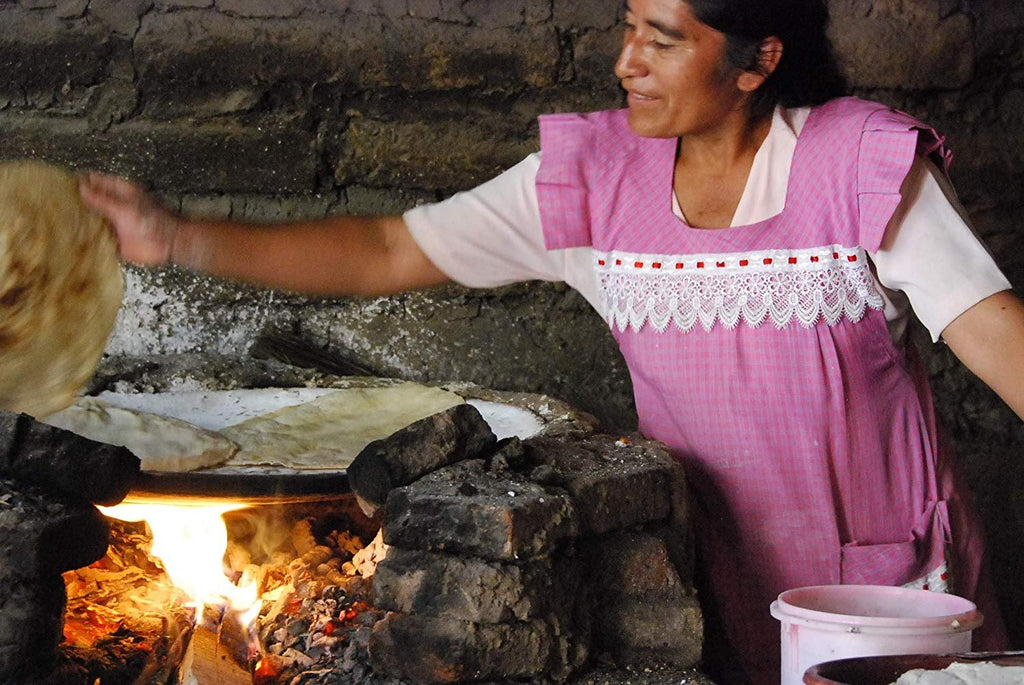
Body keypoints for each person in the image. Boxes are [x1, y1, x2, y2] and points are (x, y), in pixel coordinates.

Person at [79, 0, 1024, 681]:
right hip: (713, 581)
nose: (627, 62)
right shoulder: (591, 182)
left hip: (887, 596)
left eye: (663, 38)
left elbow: (1001, 341)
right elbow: (384, 247)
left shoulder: (859, 165)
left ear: (757, 58)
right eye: (626, 28)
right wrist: (179, 238)